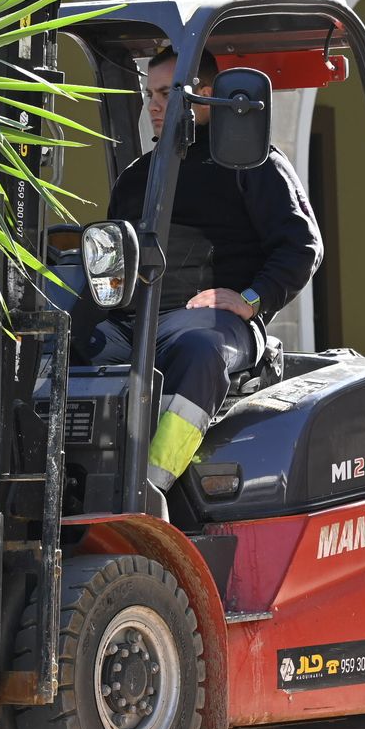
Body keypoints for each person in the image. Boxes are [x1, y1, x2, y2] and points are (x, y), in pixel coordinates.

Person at [84, 47, 322, 499]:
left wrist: (250, 300)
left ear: (206, 96)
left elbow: (302, 248)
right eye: (148, 94)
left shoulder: (254, 165)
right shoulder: (137, 176)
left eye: (164, 94)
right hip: (134, 322)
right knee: (60, 345)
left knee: (200, 351)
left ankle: (149, 487)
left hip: (215, 325)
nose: (153, 106)